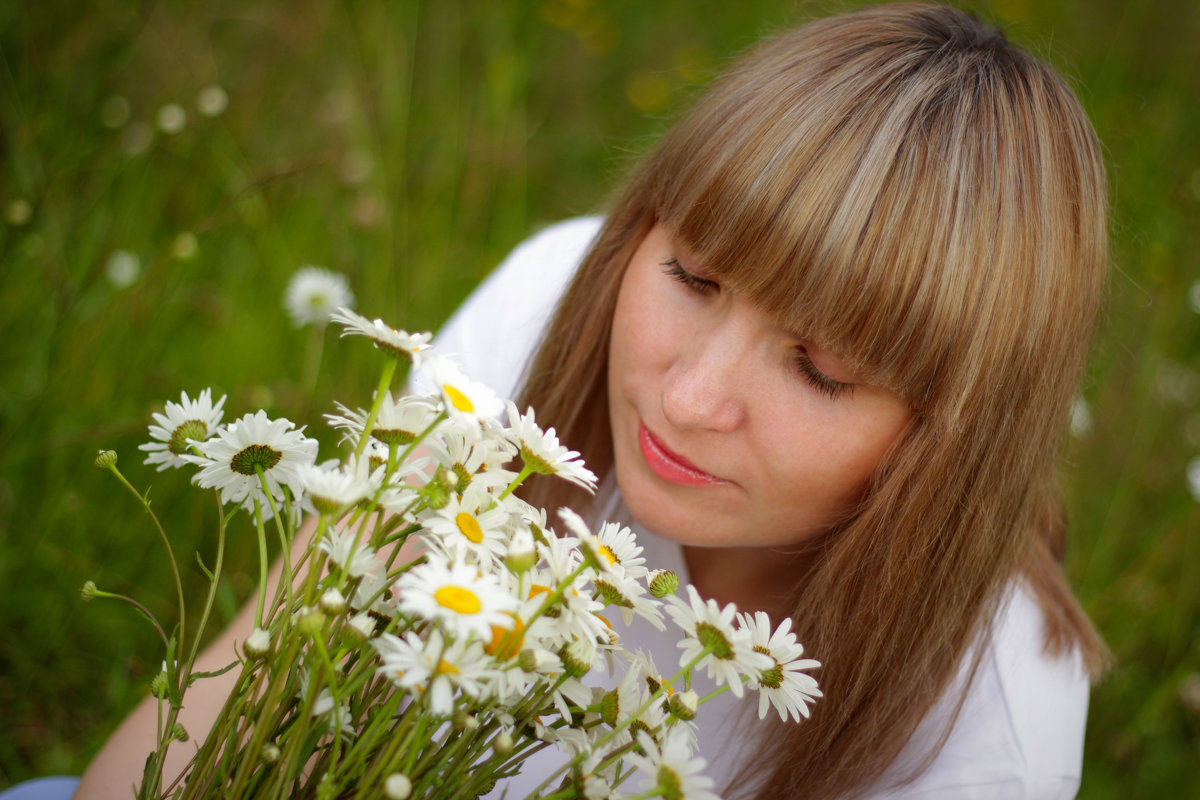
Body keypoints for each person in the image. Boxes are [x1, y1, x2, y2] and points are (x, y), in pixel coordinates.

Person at [68, 3, 1107, 798]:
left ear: (955, 430)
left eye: (822, 368)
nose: (690, 397)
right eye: (695, 278)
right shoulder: (557, 299)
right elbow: (242, 697)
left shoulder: (984, 742)